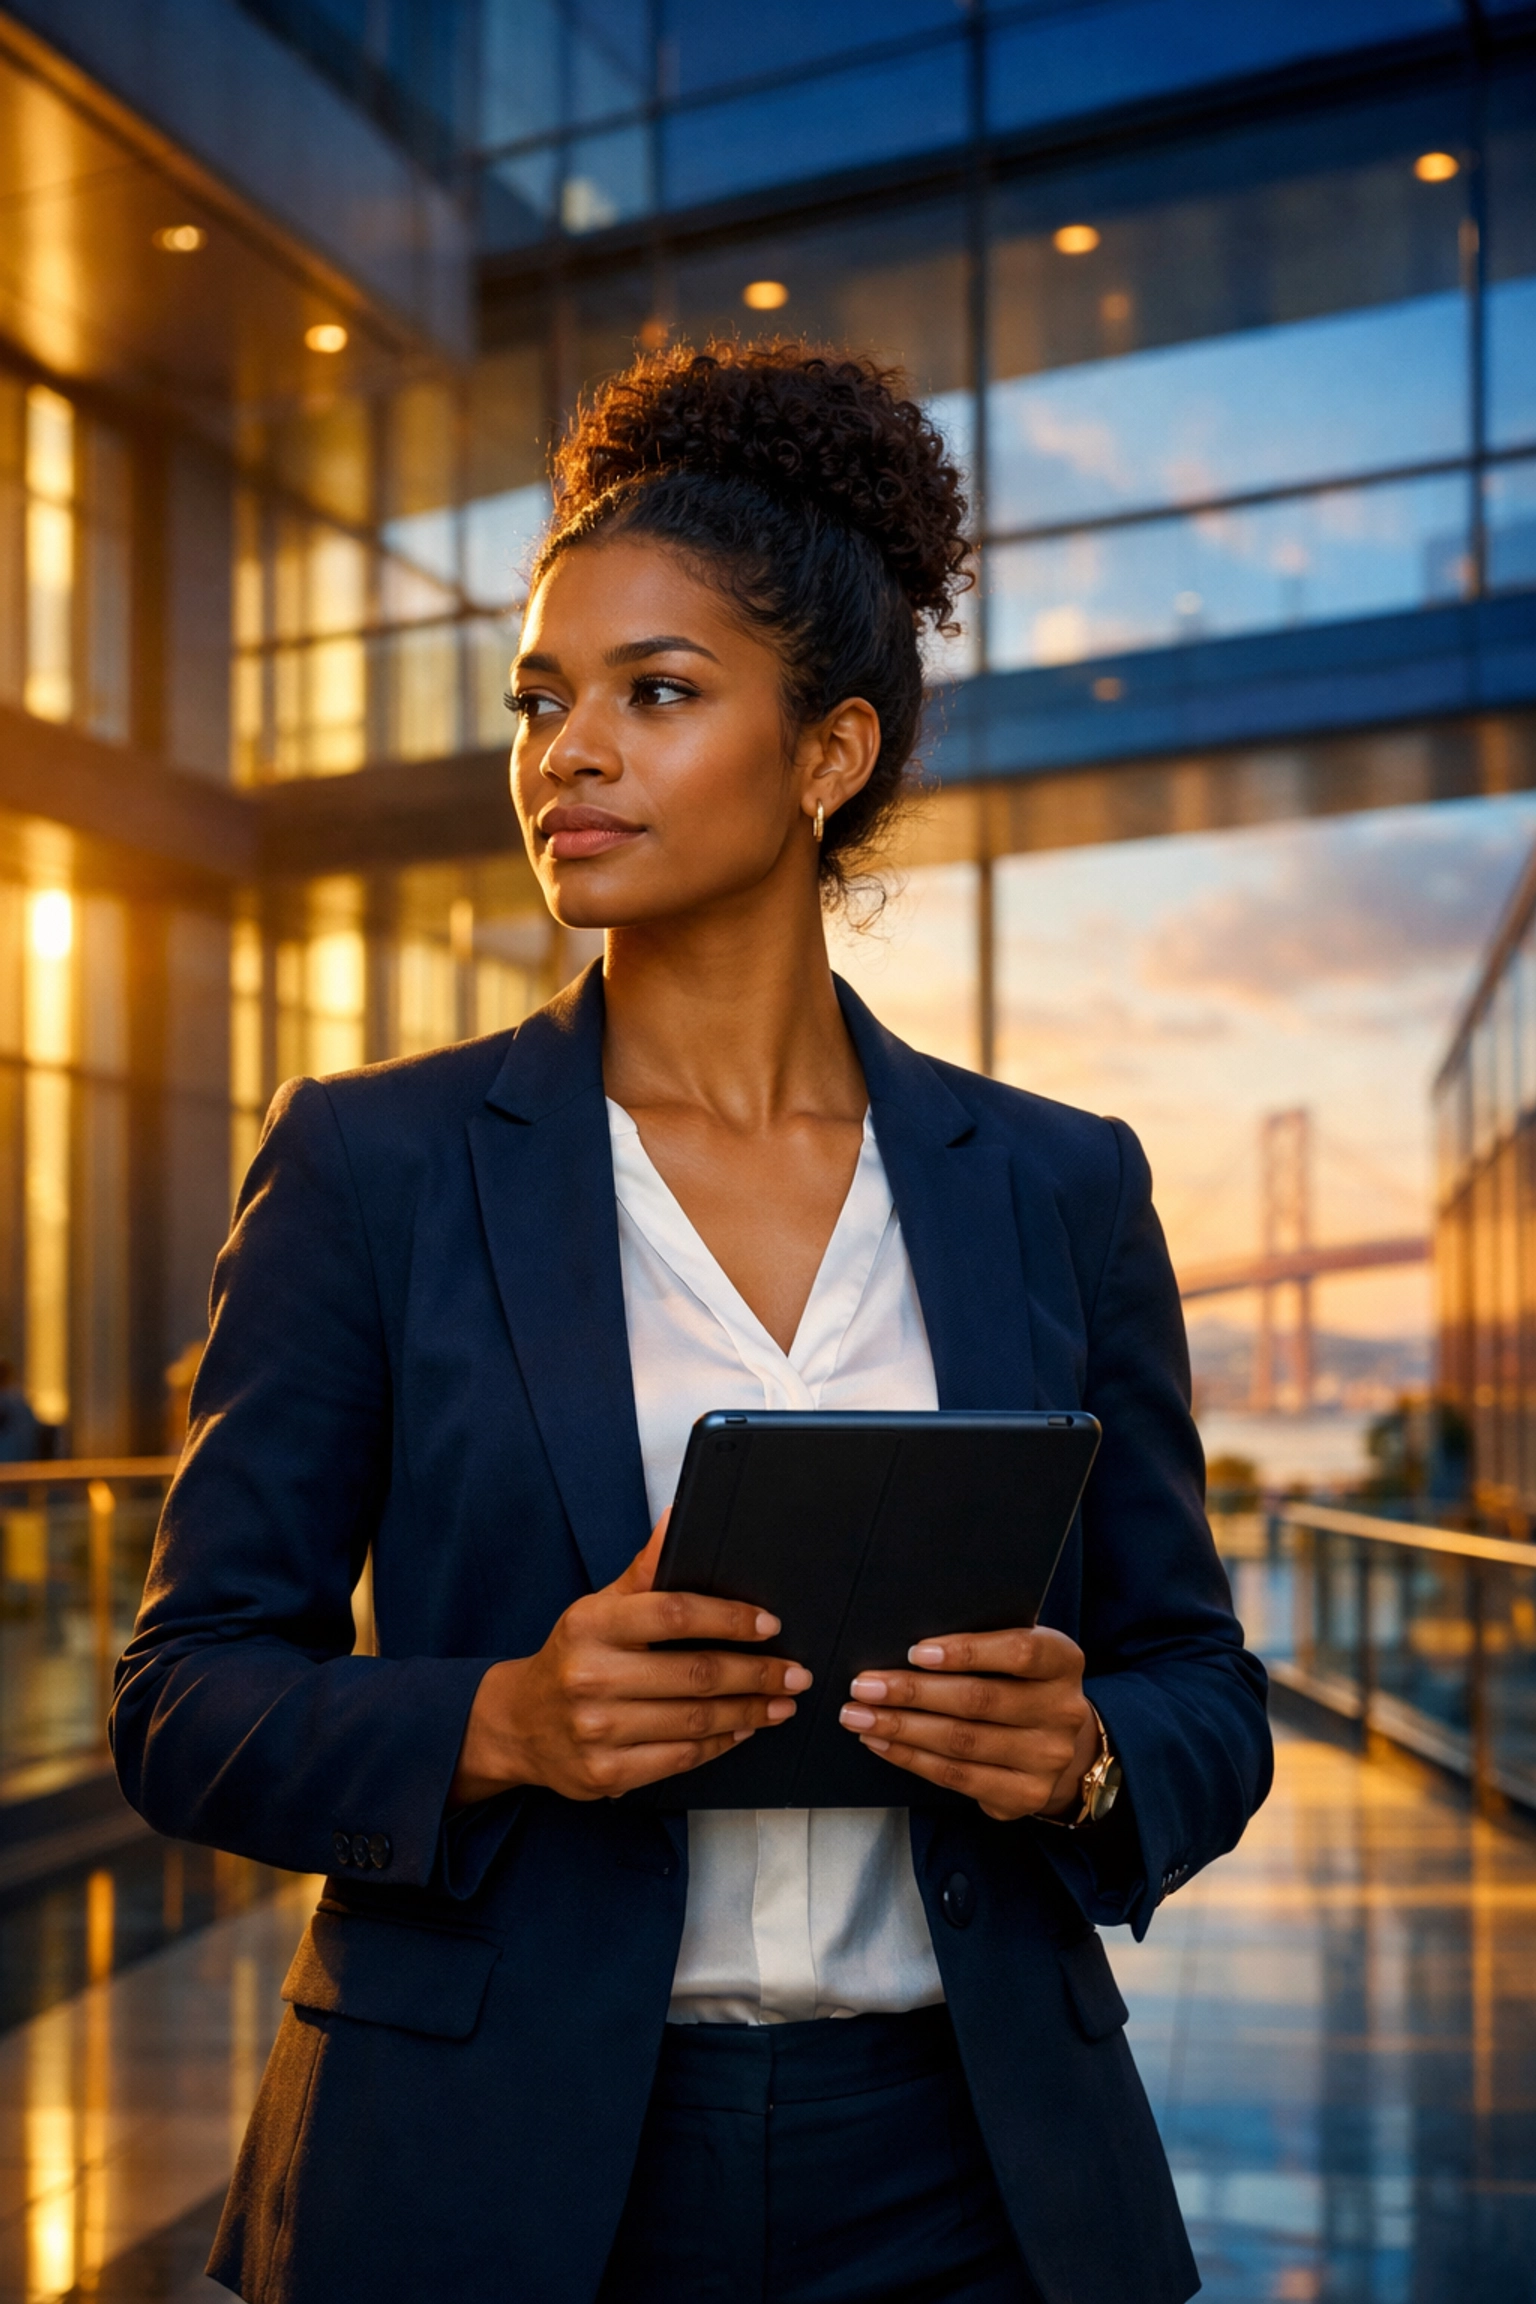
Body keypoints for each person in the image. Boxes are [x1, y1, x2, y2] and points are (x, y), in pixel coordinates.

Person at [112, 342, 1272, 2304]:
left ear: (832, 755)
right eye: (544, 700)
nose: (568, 752)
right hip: (493, 2167)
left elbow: (1202, 1687)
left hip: (970, 2165)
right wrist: (502, 1723)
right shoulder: (376, 1167)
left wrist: (1082, 1756)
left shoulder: (1058, 1188)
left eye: (657, 695)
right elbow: (186, 1693)